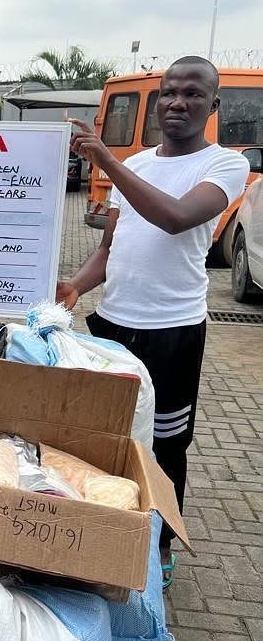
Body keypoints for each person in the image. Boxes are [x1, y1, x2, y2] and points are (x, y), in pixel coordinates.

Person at [57, 56, 249, 584]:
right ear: (157, 101)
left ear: (213, 105)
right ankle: (106, 529)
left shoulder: (224, 165)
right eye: (169, 92)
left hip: (173, 332)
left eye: (192, 94)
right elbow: (110, 246)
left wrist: (106, 160)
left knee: (166, 443)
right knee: (108, 435)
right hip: (111, 325)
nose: (177, 102)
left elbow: (174, 218)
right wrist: (76, 286)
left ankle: (160, 542)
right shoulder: (137, 164)